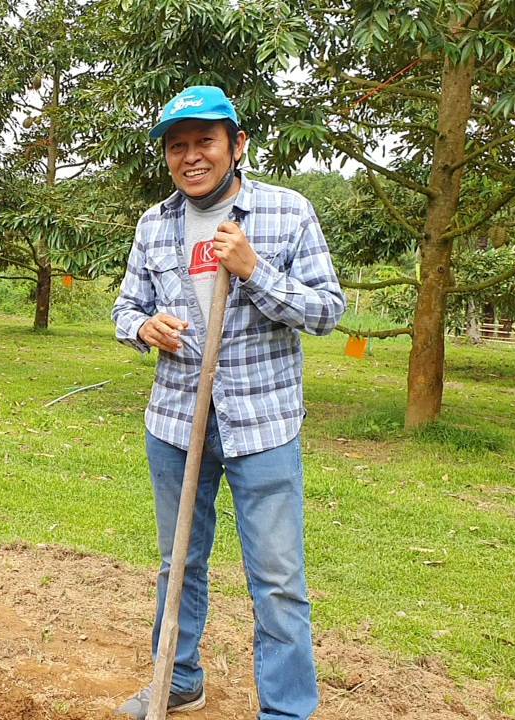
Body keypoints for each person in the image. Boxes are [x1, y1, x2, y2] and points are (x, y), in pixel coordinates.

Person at [111, 86, 345, 720]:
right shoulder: (154, 223)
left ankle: (288, 710)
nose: (192, 156)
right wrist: (142, 329)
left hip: (262, 427)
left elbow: (327, 311)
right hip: (176, 422)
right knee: (177, 560)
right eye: (178, 145)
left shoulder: (287, 214)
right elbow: (124, 309)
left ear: (237, 146)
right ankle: (177, 680)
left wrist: (254, 271)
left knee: (277, 580)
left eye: (205, 141)